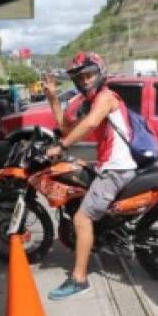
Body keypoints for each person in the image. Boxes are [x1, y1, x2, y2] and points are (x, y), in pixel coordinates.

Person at [42, 51, 137, 300]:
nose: (84, 80)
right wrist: (52, 98)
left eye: (88, 75)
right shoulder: (93, 102)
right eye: (79, 77)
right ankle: (104, 232)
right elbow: (67, 127)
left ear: (100, 73)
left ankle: (79, 279)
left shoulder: (106, 97)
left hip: (116, 169)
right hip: (107, 165)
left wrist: (61, 147)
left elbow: (90, 124)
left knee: (82, 219)